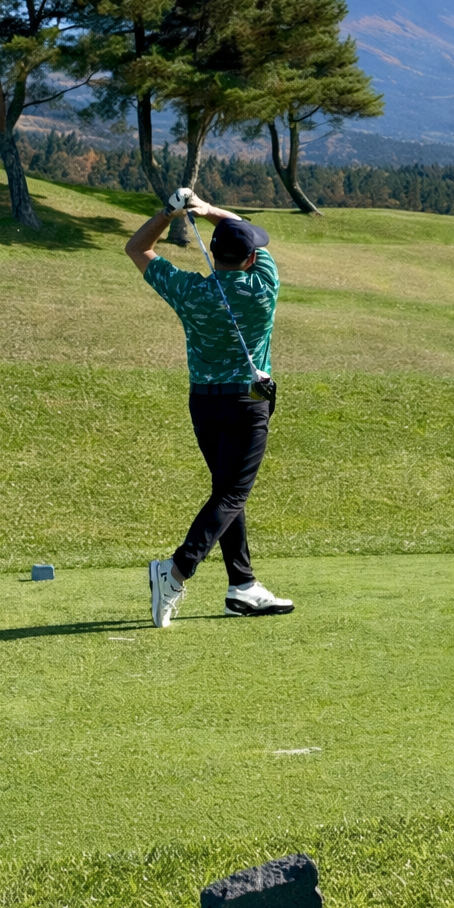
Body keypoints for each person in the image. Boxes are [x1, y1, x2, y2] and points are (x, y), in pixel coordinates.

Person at [125, 190, 294, 628]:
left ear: (214, 255)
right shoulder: (265, 285)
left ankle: (242, 586)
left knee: (226, 491)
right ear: (251, 259)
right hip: (247, 404)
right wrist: (210, 209)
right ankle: (176, 571)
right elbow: (242, 231)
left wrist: (172, 212)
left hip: (203, 402)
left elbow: (136, 248)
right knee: (233, 493)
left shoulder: (191, 291)